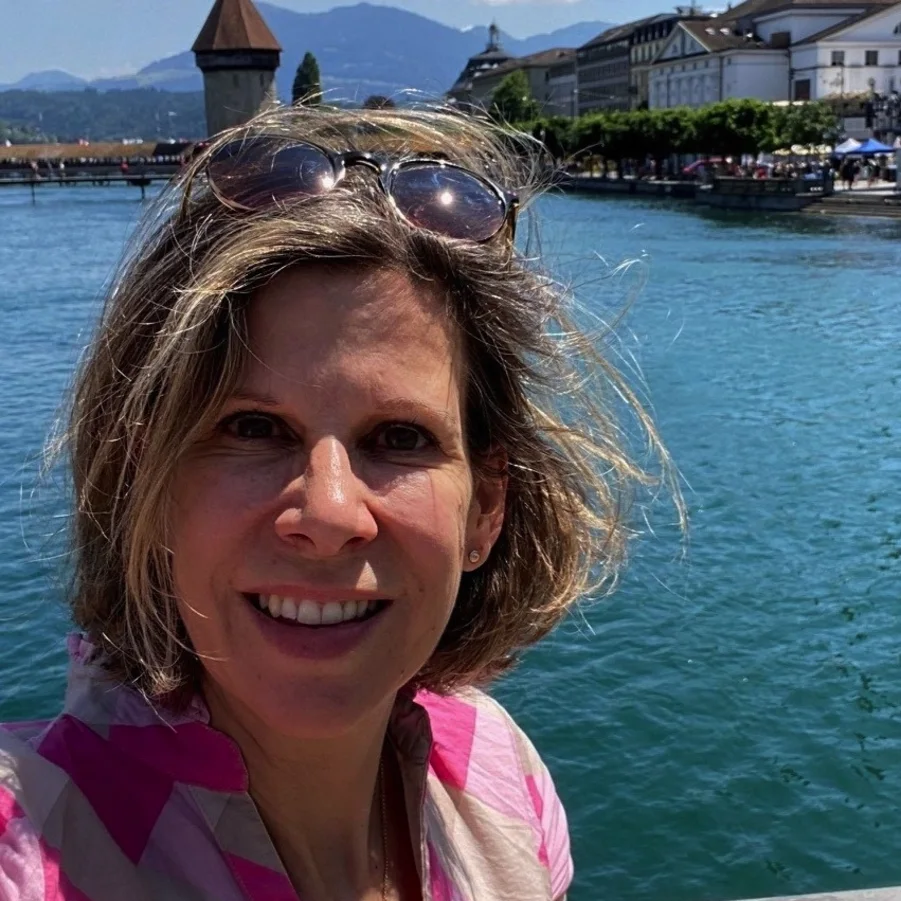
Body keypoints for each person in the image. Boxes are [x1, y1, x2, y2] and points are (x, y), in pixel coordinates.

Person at [0, 106, 676, 900]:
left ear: (485, 507)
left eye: (399, 437)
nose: (326, 513)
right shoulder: (30, 849)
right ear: (145, 479)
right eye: (252, 428)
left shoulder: (499, 775)